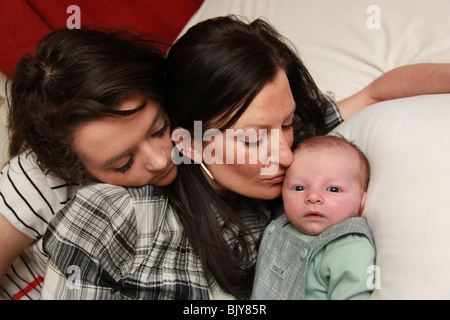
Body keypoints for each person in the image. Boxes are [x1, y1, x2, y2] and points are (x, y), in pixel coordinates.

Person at [40, 15, 450, 300]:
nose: (285, 155)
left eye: (287, 123)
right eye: (253, 140)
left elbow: (375, 93)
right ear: (191, 143)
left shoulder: (295, 147)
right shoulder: (117, 213)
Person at [0, 27, 177, 299]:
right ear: (75, 168)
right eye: (124, 162)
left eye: (159, 129)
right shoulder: (35, 181)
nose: (160, 159)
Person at [251, 135, 375, 300]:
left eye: (333, 190)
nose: (313, 197)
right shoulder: (282, 226)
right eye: (299, 187)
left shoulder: (350, 248)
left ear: (361, 201)